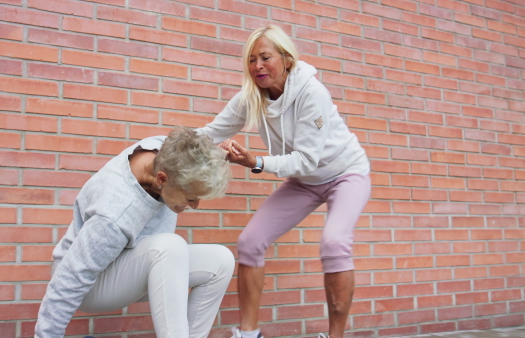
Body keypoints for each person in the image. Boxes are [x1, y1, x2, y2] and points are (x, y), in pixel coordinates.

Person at [196, 25, 371, 338]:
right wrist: (162, 148)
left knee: (334, 242)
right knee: (250, 241)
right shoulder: (251, 97)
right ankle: (248, 334)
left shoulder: (311, 92)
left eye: (265, 57)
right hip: (305, 181)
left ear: (287, 60)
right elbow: (211, 133)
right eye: (251, 60)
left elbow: (307, 159)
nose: (258, 66)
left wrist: (257, 162)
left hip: (346, 173)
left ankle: (336, 336)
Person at [34, 127, 235, 338]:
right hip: (90, 285)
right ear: (162, 179)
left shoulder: (166, 152)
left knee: (221, 261)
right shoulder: (115, 212)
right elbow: (70, 279)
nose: (195, 206)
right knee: (170, 247)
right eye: (190, 197)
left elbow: (196, 143)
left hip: (134, 267)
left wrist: (217, 155)